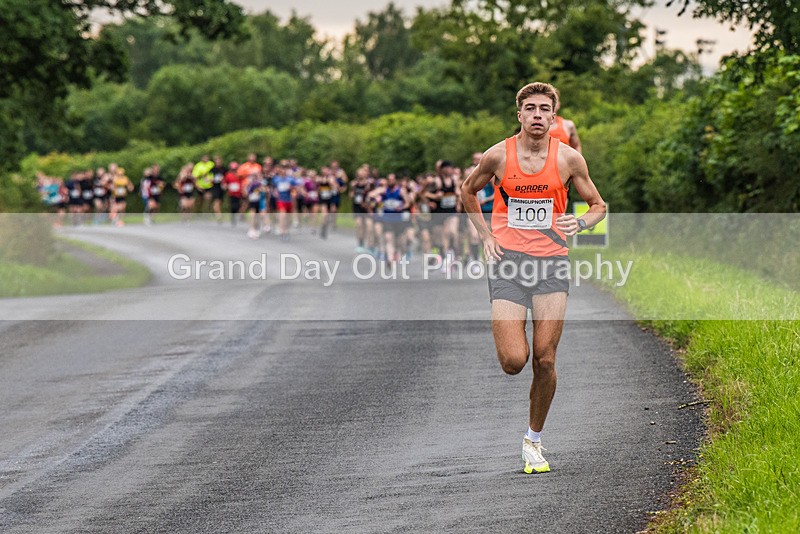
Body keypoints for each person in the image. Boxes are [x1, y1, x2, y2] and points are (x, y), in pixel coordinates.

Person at [460, 82, 605, 474]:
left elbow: (598, 205)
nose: (538, 115)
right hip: (508, 262)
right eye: (530, 108)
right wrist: (485, 235)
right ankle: (506, 330)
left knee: (544, 358)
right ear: (519, 115)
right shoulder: (498, 156)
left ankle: (533, 440)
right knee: (513, 360)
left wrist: (582, 221)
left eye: (545, 109)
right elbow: (467, 191)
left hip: (551, 262)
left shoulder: (569, 159)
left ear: (554, 117)